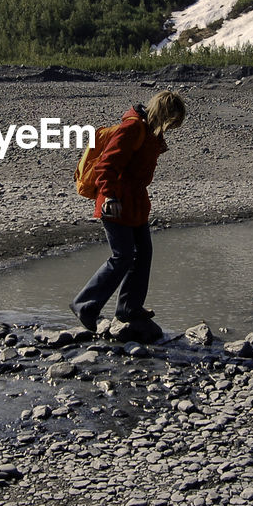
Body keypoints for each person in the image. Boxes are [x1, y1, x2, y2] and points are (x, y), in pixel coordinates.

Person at [69, 90, 187, 331]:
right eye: (172, 122)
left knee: (143, 254)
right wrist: (110, 196)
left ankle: (129, 308)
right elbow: (106, 165)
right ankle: (85, 305)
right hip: (116, 202)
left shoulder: (151, 132)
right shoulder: (132, 129)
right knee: (122, 256)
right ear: (163, 114)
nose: (173, 128)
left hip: (135, 203)